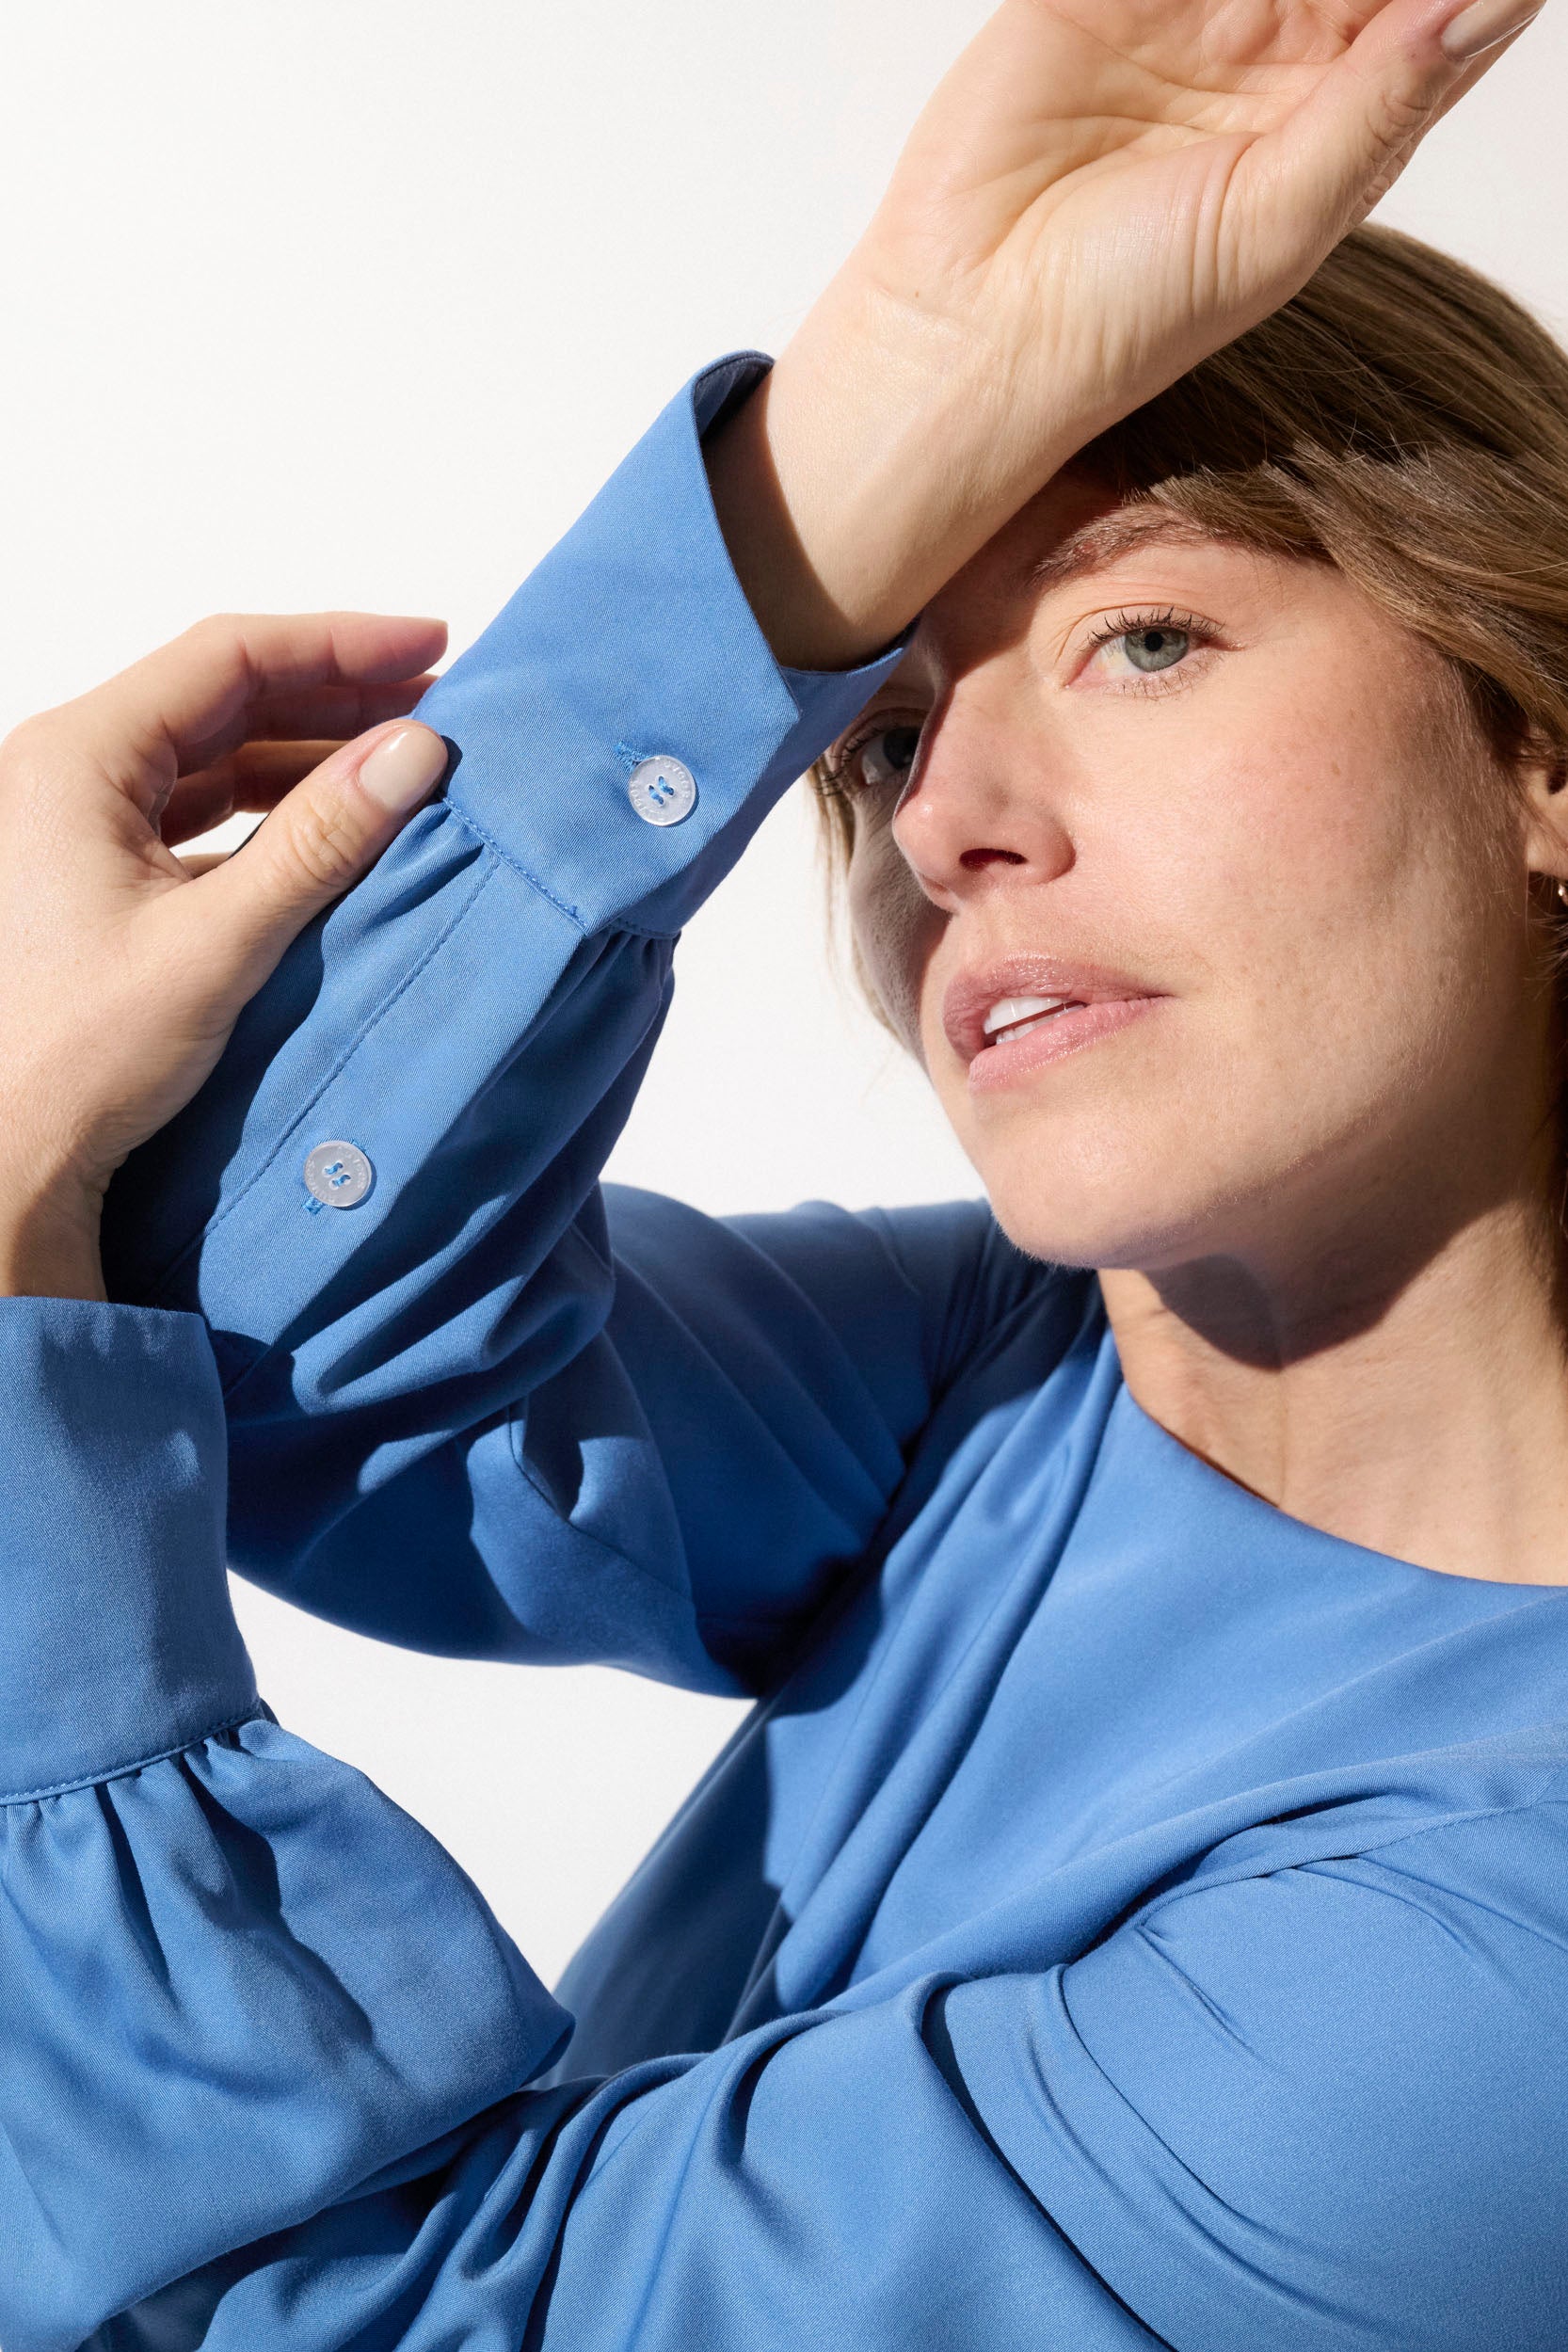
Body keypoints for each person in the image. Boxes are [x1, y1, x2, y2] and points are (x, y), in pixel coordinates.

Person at [1, 0, 1562, 2344]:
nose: (943, 824)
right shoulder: (1010, 1373)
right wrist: (838, 450)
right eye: (893, 729)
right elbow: (249, 1320)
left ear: (1537, 758)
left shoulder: (1498, 1976)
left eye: (1144, 635)